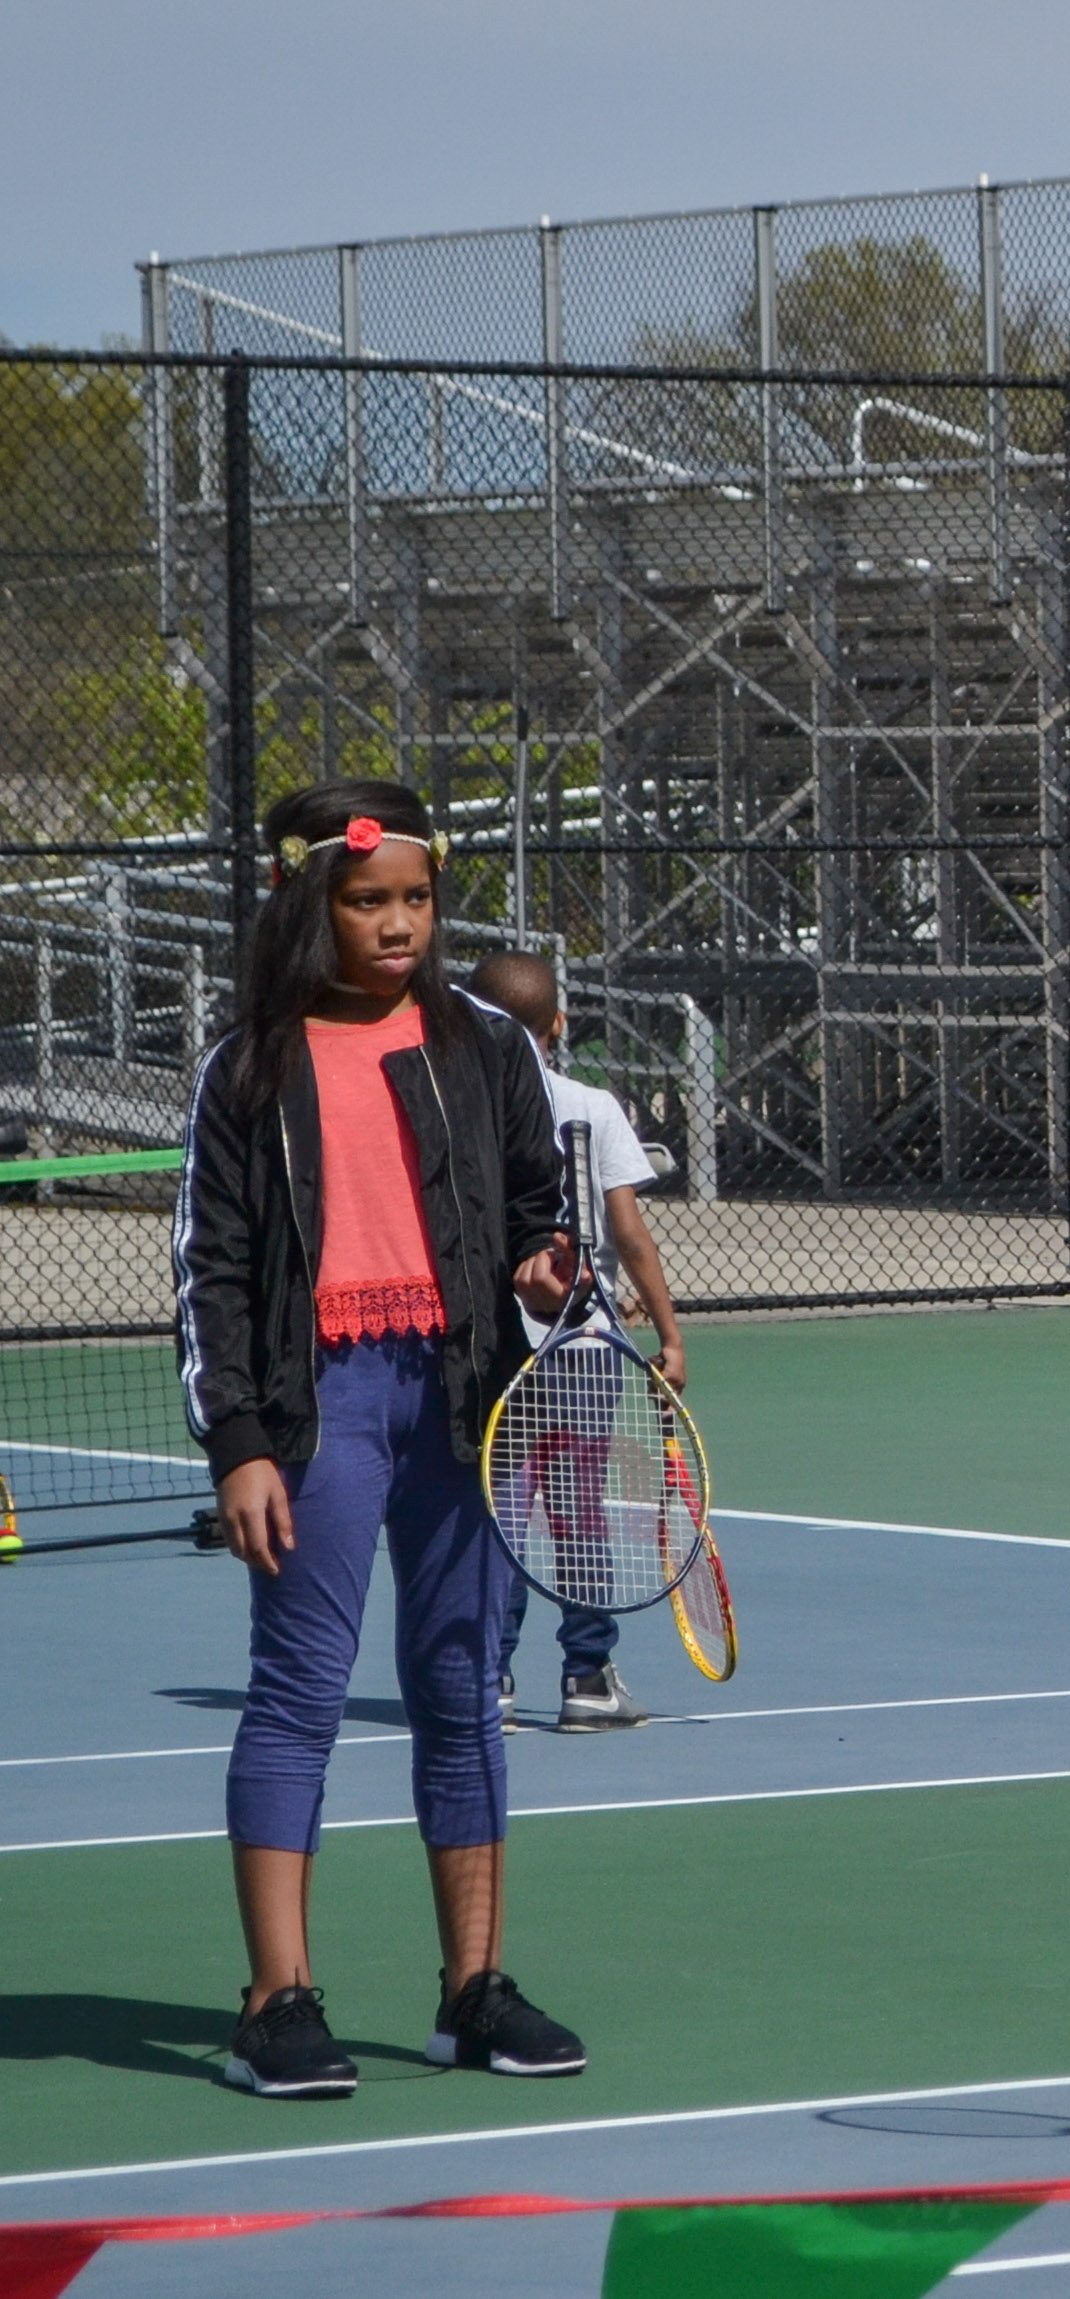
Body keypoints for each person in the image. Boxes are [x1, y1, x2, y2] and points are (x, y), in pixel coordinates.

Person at [176, 780, 591, 2099]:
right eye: (368, 901)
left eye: (416, 898)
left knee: (462, 1685)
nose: (399, 923)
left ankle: (474, 1990)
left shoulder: (486, 1043)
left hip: (462, 1403)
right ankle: (276, 2001)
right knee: (300, 1687)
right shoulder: (248, 1064)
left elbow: (537, 1211)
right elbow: (213, 1269)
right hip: (319, 1410)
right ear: (309, 900)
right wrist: (239, 1441)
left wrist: (548, 1269)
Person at [464, 951, 685, 1735]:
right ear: (558, 1023)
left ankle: (488, 1681)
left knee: (500, 1514)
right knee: (579, 1510)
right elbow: (630, 1232)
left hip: (498, 1348)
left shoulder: (461, 1109)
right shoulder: (592, 1103)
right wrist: (670, 1335)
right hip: (585, 1351)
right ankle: (588, 1678)